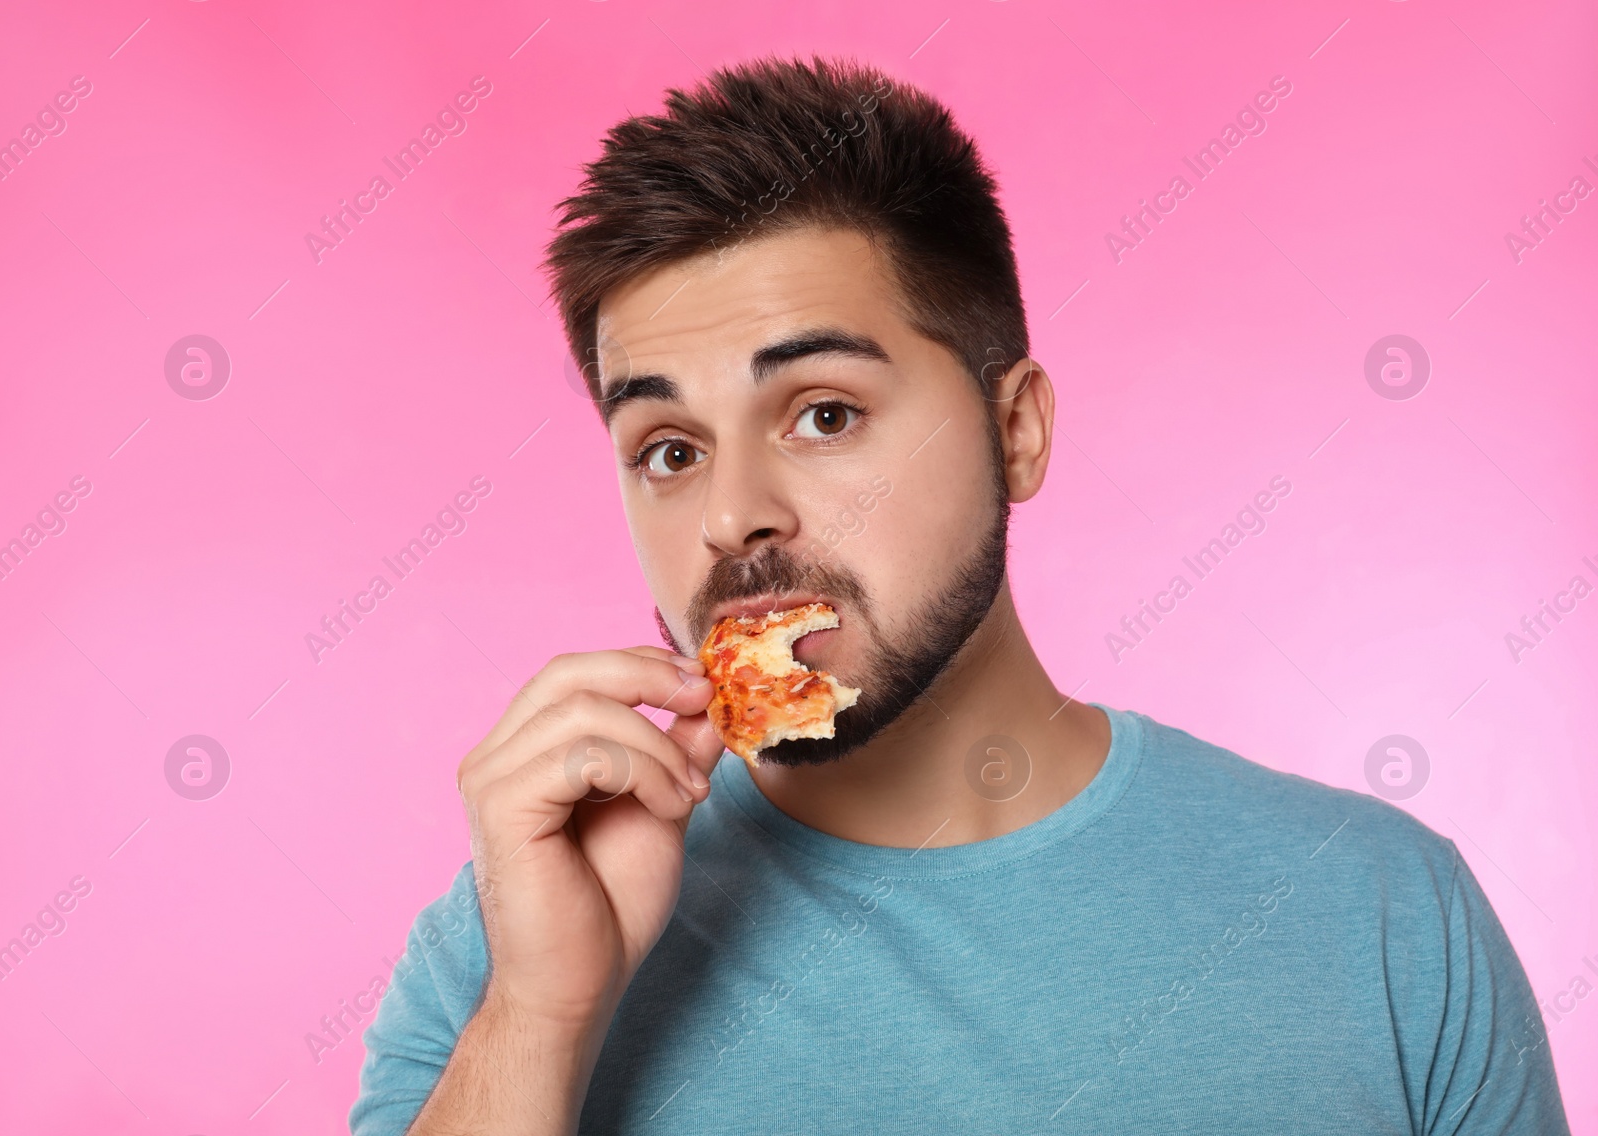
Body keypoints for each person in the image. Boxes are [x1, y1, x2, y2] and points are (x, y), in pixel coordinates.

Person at [349, 56, 1569, 1134]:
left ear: (1016, 430)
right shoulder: (517, 941)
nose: (730, 516)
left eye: (823, 414)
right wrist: (544, 1014)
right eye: (668, 447)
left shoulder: (1378, 914)